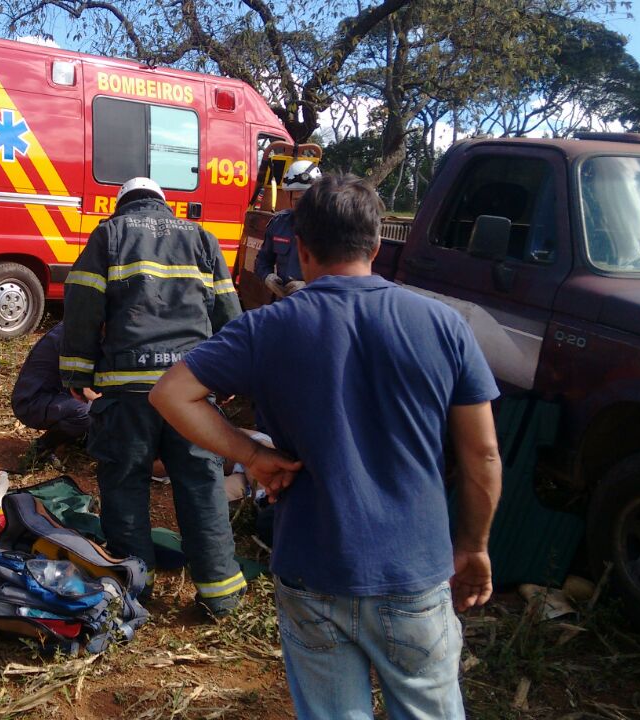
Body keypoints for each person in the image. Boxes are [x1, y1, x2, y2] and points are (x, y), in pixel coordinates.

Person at [152, 174, 503, 719]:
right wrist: (474, 545)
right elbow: (482, 456)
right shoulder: (444, 325)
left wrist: (251, 455)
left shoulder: (267, 327)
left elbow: (171, 394)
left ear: (301, 250)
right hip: (414, 571)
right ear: (377, 245)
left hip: (312, 570)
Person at [60, 176, 247, 617]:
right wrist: (227, 376)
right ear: (164, 203)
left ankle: (133, 589)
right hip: (190, 390)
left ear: (122, 203)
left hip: (128, 389)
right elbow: (229, 312)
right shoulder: (202, 238)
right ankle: (221, 594)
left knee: (125, 481)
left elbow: (82, 302)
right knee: (202, 483)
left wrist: (77, 371)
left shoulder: (110, 234)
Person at [11, 321, 93, 466]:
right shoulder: (75, 337)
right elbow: (83, 390)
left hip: (56, 395)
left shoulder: (82, 327)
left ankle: (79, 436)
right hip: (32, 402)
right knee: (88, 412)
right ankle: (41, 449)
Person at [254, 160, 320, 300]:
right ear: (288, 197)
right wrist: (267, 277)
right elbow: (262, 261)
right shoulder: (279, 223)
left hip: (316, 304)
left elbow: (342, 274)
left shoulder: (332, 227)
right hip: (284, 303)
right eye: (297, 200)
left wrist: (309, 285)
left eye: (307, 200)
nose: (302, 206)